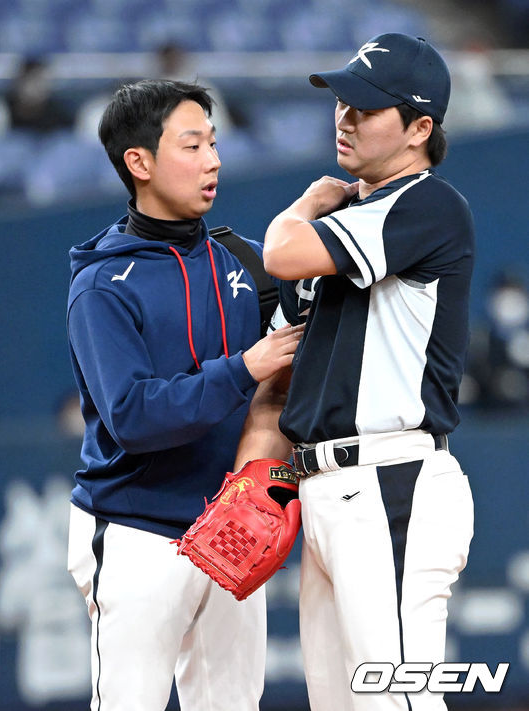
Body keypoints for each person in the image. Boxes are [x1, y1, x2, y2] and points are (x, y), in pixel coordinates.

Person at [249, 33, 475, 711]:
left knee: (398, 700)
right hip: (327, 490)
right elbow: (283, 358)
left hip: (391, 482)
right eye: (341, 100)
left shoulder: (427, 205)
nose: (345, 115)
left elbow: (280, 252)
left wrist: (304, 206)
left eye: (367, 106)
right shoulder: (349, 218)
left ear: (420, 129)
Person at [66, 79, 303, 711]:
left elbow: (287, 383)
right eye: (192, 144)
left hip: (233, 529)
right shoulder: (102, 285)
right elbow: (135, 418)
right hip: (138, 527)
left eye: (214, 143)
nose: (213, 160)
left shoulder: (246, 262)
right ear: (138, 163)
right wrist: (246, 366)